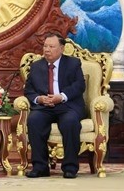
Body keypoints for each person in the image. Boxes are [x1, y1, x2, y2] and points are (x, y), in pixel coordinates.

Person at [24, 32, 86, 179]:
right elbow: (28, 90)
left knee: (70, 122)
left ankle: (70, 168)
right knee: (34, 120)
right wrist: (39, 99)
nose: (47, 50)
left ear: (62, 49)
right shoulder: (36, 66)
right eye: (45, 46)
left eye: (51, 46)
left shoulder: (73, 63)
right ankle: (40, 167)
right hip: (44, 107)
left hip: (67, 105)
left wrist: (62, 97)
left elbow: (79, 86)